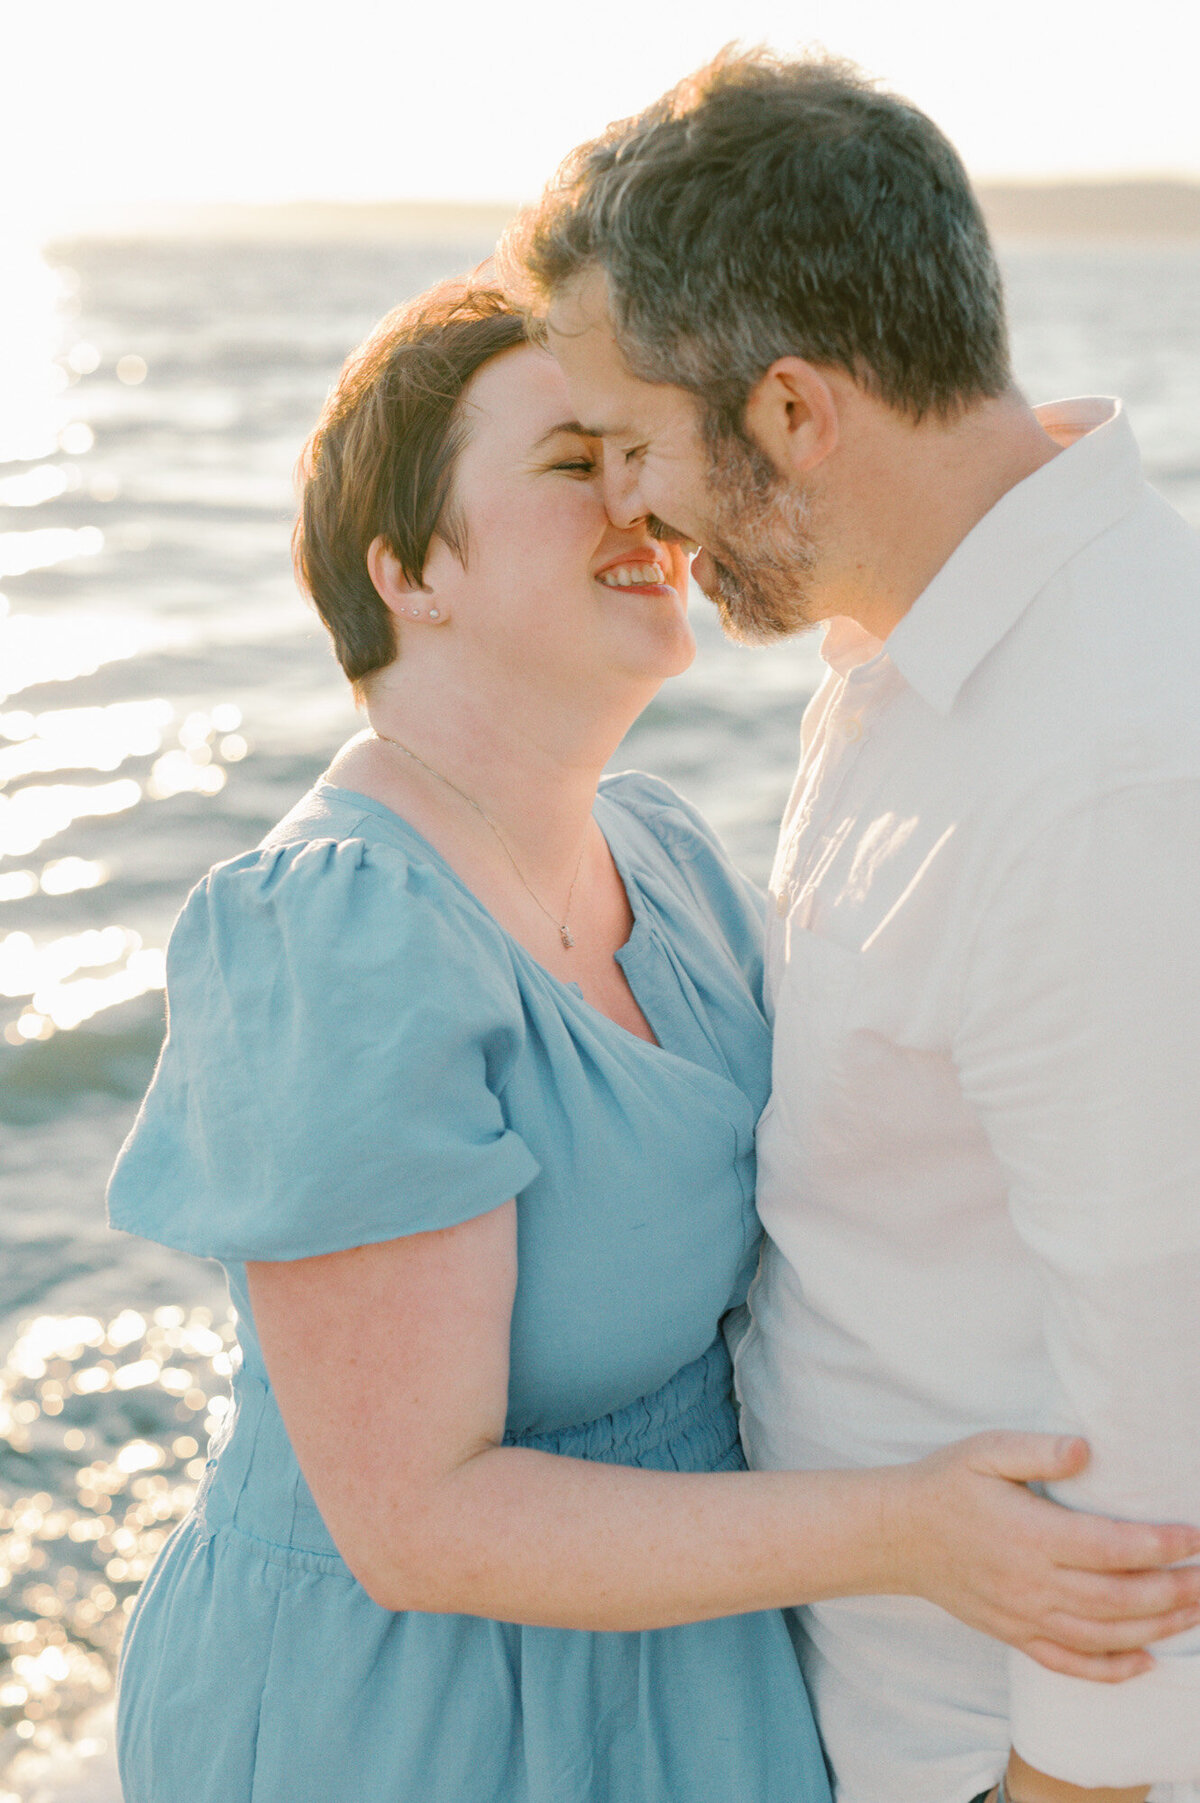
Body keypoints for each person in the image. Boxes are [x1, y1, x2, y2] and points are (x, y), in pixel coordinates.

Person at [107, 283, 1200, 1803]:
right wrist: (914, 1532)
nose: (652, 507)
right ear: (408, 566)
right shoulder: (332, 932)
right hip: (416, 1716)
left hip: (705, 1679)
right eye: (574, 466)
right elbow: (415, 1521)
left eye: (639, 453)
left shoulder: (670, 857)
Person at [505, 46, 1200, 1803]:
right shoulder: (926, 649)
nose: (628, 509)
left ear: (797, 412)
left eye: (638, 446)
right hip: (868, 1701)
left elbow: (1168, 1345)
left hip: (990, 1753)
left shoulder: (1103, 761)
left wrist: (1074, 1782)